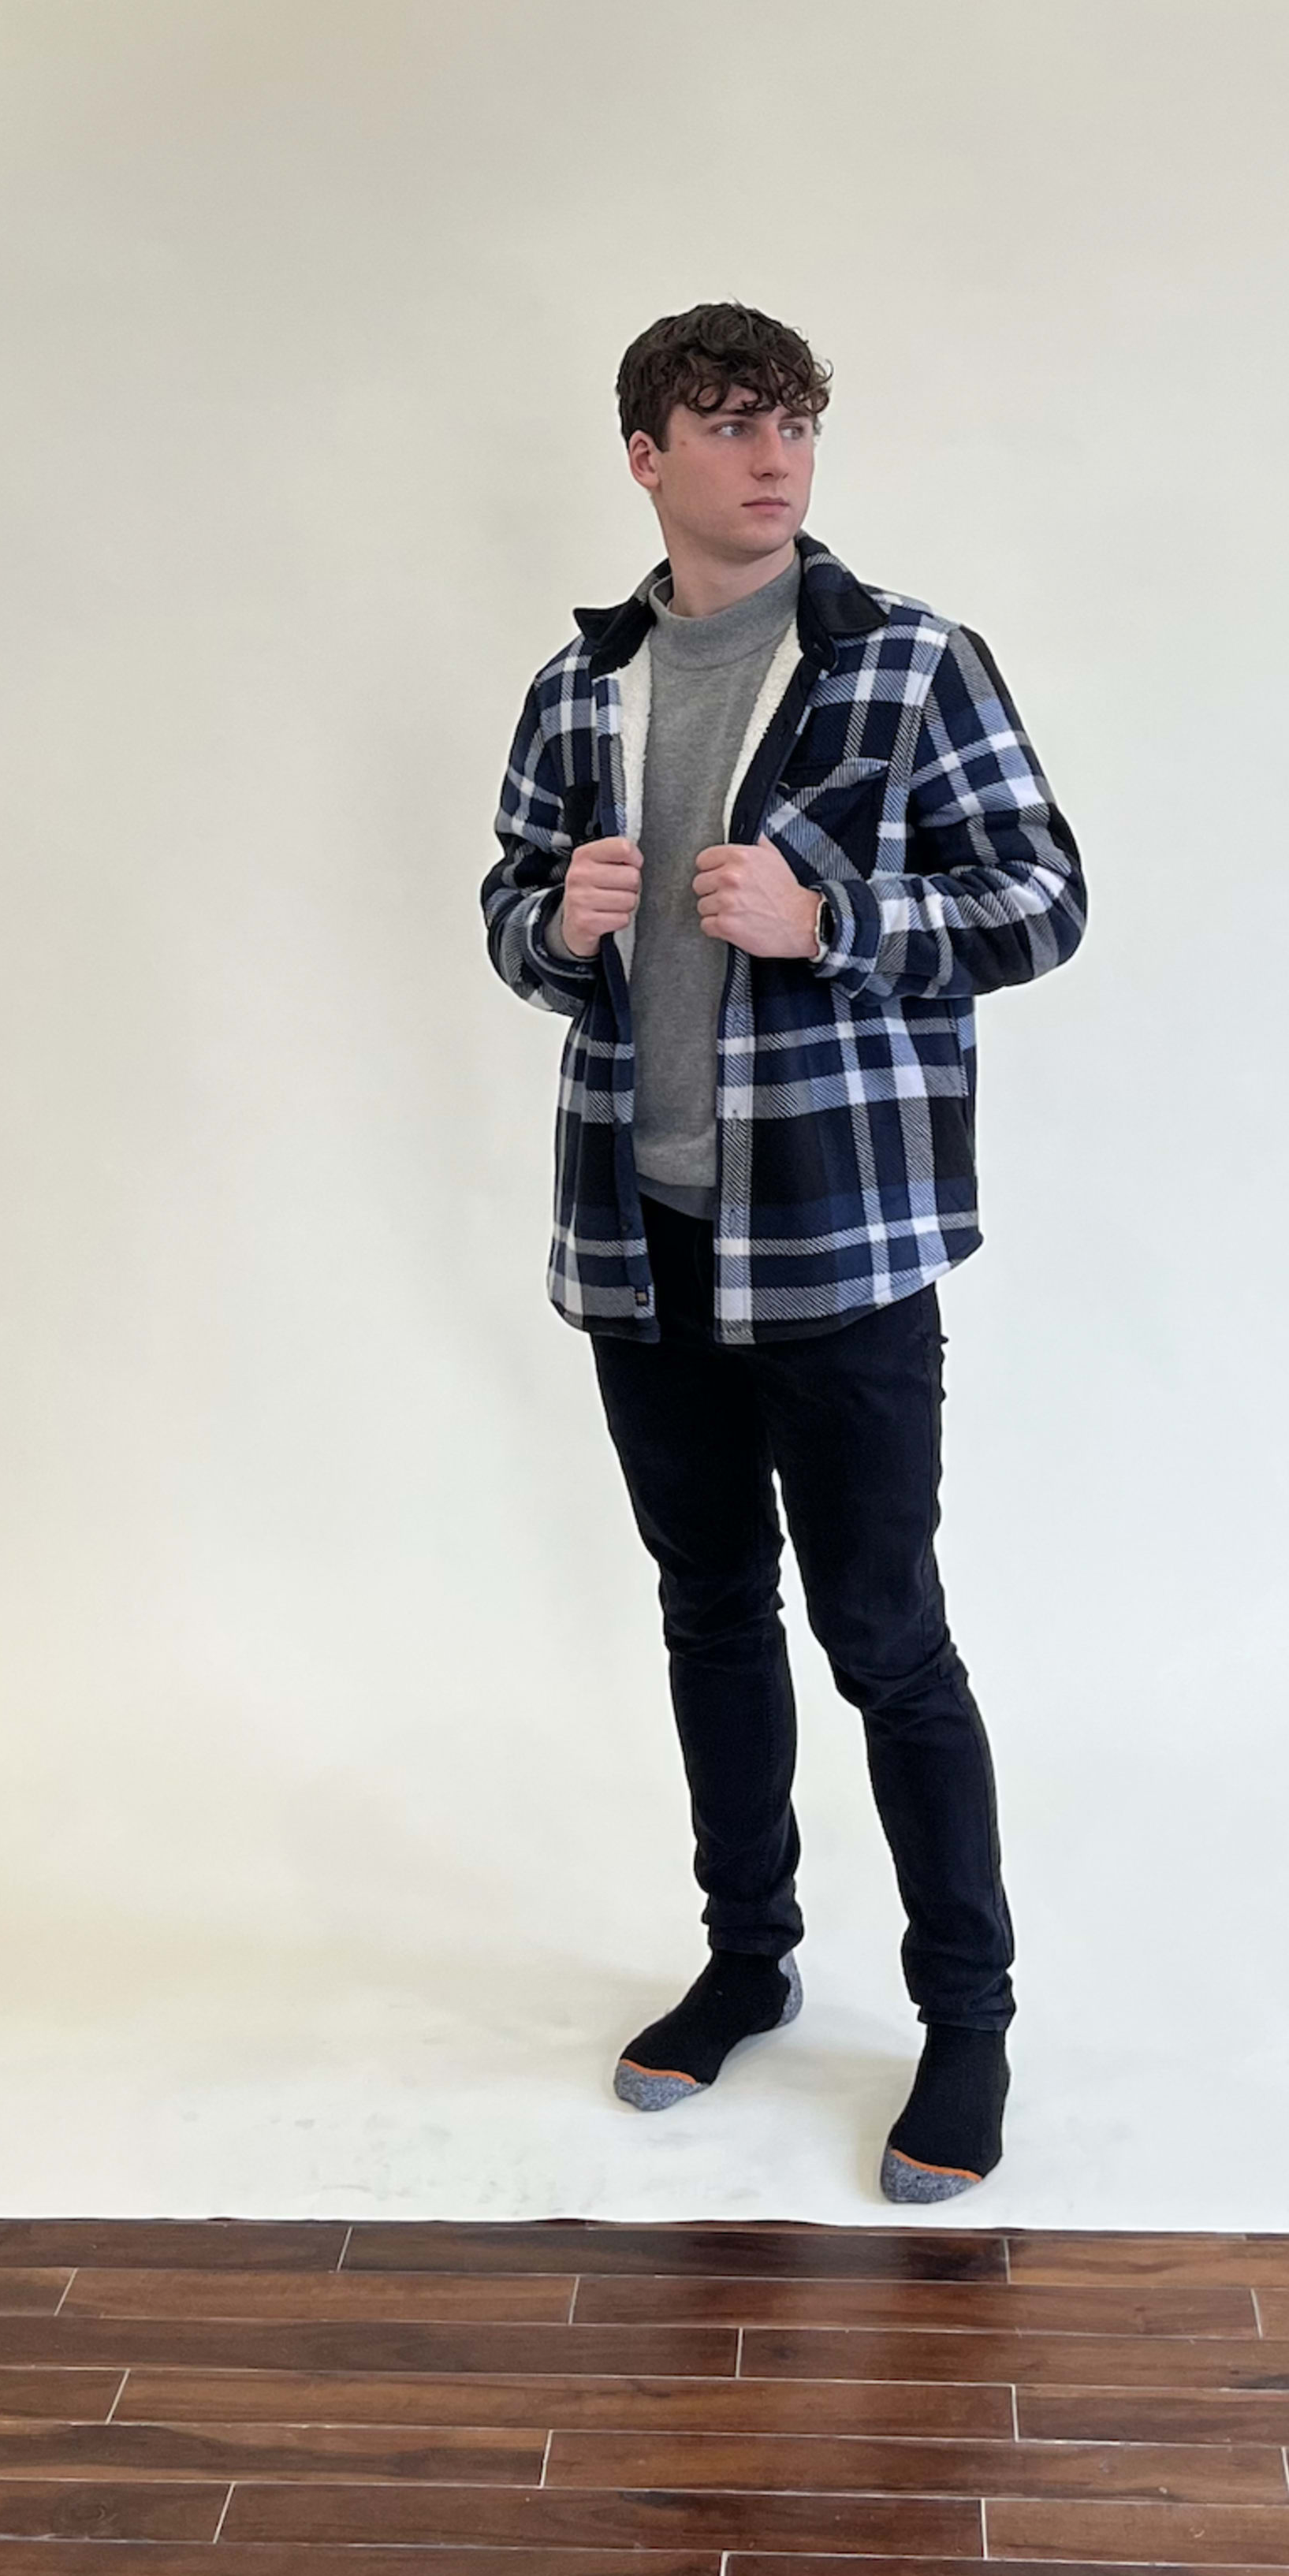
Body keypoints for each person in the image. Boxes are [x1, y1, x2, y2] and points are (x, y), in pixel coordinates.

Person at [479, 300, 1086, 2203]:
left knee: (886, 1640)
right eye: (729, 424)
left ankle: (966, 2023)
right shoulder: (584, 686)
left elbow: (1043, 899)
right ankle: (748, 1961)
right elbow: (508, 915)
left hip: (837, 1246)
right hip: (641, 1237)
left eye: (795, 423)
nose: (774, 456)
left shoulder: (907, 663)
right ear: (646, 455)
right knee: (708, 1614)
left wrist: (837, 915)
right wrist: (553, 919)